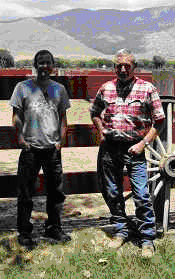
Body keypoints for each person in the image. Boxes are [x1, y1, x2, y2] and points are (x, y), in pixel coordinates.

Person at [90, 49, 165, 258]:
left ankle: (147, 238)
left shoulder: (147, 88)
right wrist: (101, 130)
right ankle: (122, 230)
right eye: (119, 66)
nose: (123, 69)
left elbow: (159, 120)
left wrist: (143, 143)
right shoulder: (106, 88)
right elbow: (94, 112)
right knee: (112, 192)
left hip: (135, 148)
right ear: (115, 67)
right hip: (109, 148)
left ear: (134, 67)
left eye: (127, 66)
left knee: (141, 194)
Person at [10, 49, 71, 247]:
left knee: (55, 192)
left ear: (53, 65)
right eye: (41, 62)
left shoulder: (59, 89)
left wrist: (60, 141)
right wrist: (20, 138)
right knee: (25, 192)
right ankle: (24, 231)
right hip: (30, 148)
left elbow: (63, 119)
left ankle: (54, 227)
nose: (44, 66)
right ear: (35, 65)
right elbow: (16, 116)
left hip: (52, 149)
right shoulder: (22, 88)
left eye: (48, 62)